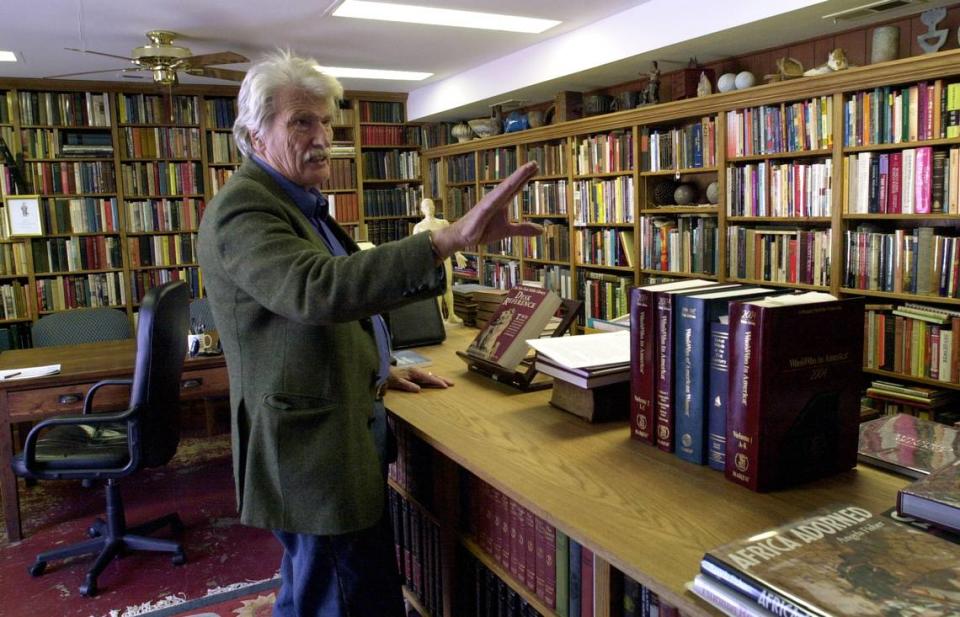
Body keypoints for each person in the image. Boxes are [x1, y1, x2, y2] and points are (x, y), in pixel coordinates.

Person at [196, 49, 541, 617]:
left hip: (328, 428)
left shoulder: (299, 203)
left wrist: (378, 369)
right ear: (254, 135)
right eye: (301, 122)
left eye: (326, 120)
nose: (321, 136)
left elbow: (333, 307)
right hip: (310, 450)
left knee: (341, 587)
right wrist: (444, 240)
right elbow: (318, 290)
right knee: (339, 597)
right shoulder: (246, 210)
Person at [412, 197, 466, 325]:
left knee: (448, 286)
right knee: (436, 287)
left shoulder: (443, 223)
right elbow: (415, 248)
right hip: (431, 259)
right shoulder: (419, 227)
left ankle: (451, 314)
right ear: (421, 210)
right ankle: (440, 317)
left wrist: (457, 254)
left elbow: (452, 240)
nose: (429, 208)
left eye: (431, 206)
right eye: (426, 206)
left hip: (445, 257)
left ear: (435, 208)